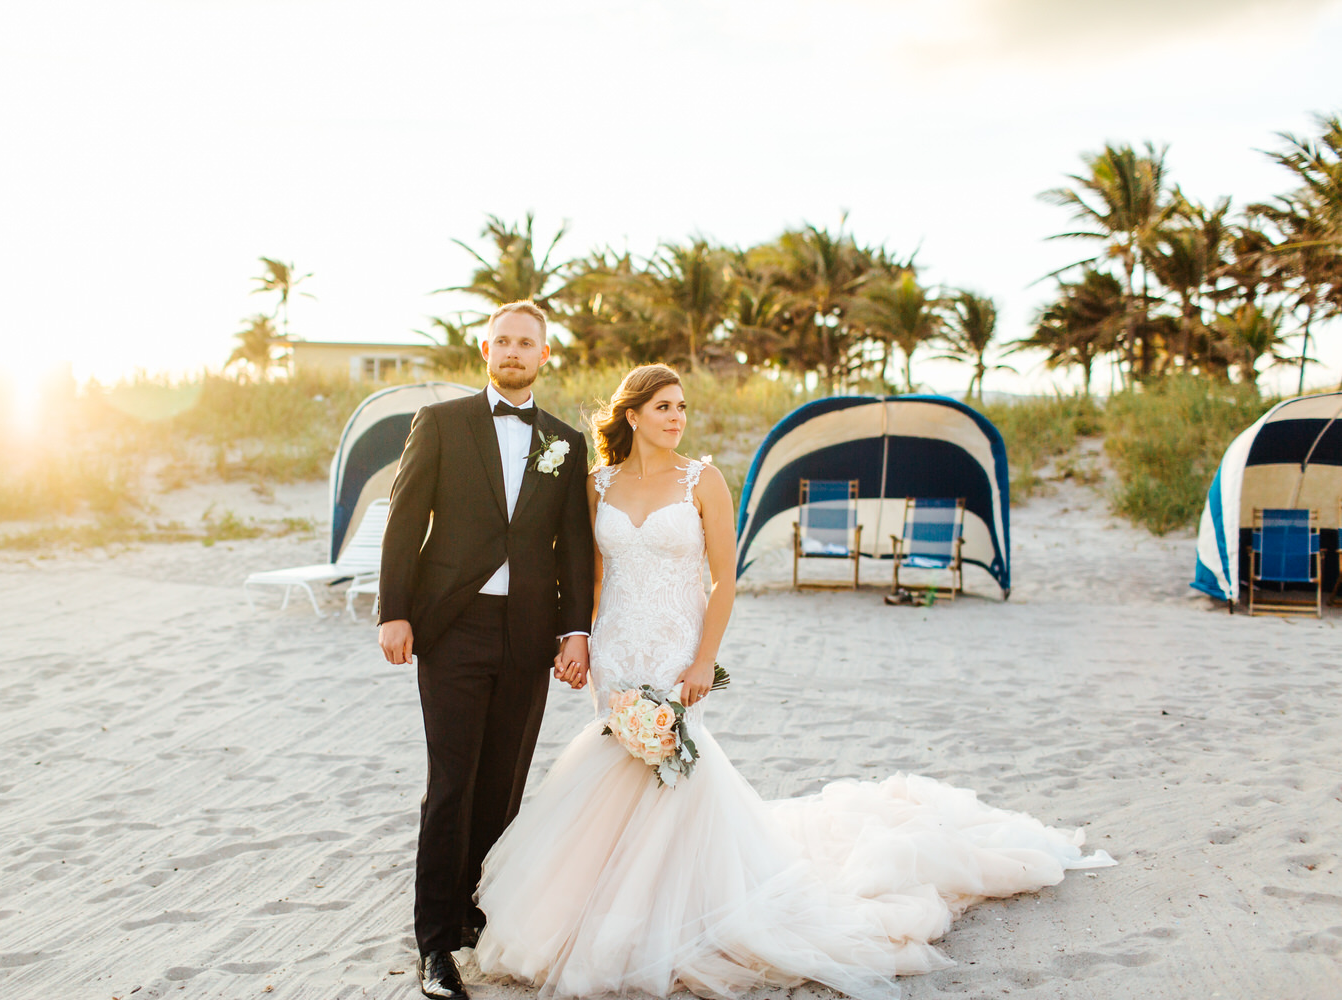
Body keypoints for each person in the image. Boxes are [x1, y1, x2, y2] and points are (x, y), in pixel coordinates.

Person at [472, 363, 1115, 1000]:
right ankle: (603, 909)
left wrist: (703, 660)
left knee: (677, 770)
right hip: (618, 647)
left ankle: (681, 911)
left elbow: (724, 578)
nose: (677, 418)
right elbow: (592, 577)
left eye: (682, 407)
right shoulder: (597, 484)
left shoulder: (704, 479)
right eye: (664, 407)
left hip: (675, 646)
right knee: (617, 766)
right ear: (633, 415)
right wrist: (579, 636)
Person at [377, 300, 595, 1000]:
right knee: (451, 784)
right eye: (501, 340)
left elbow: (574, 546)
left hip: (528, 634)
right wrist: (394, 612)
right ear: (484, 350)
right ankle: (435, 944)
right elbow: (405, 519)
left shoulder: (565, 440)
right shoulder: (440, 424)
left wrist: (575, 629)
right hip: (452, 627)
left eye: (525, 342)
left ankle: (479, 912)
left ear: (544, 355)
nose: (512, 351)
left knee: (504, 780)